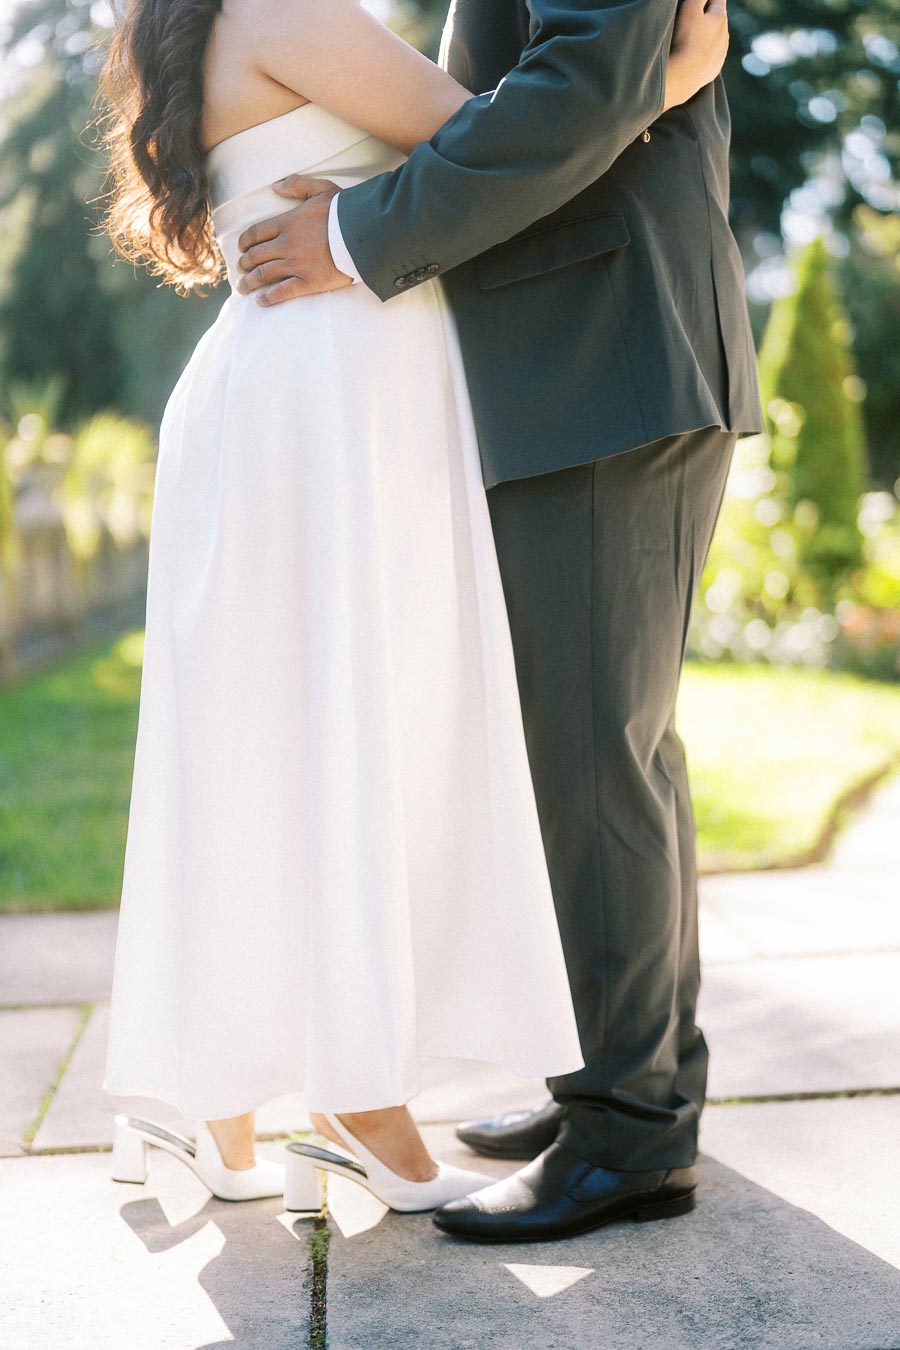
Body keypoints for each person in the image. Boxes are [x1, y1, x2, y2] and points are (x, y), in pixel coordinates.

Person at [100, 0, 720, 1218]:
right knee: (375, 740)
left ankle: (235, 1102)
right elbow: (512, 127)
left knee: (282, 745)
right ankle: (382, 1093)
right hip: (328, 397)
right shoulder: (289, 11)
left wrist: (623, 89)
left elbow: (551, 111)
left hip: (310, 389)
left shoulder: (216, 25)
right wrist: (668, 81)